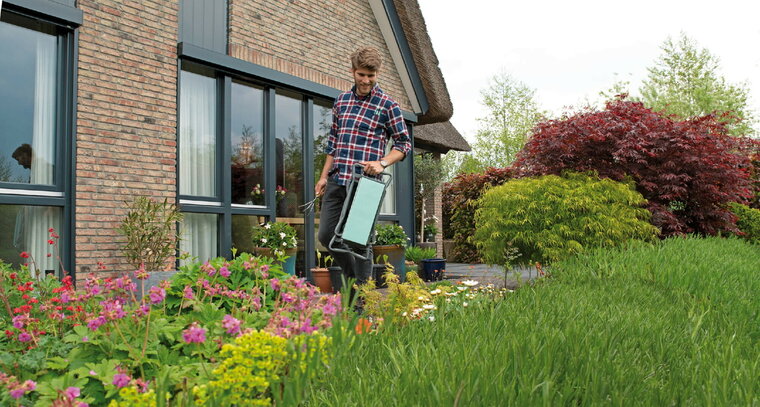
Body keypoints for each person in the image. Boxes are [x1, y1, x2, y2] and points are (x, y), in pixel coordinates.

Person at [316, 47, 411, 289]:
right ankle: (352, 282)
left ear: (377, 74)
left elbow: (403, 144)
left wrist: (382, 163)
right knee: (326, 236)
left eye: (371, 75)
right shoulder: (341, 101)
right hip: (338, 178)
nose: (366, 80)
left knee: (359, 241)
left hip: (366, 184)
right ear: (353, 72)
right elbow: (333, 142)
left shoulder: (388, 105)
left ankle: (362, 298)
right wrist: (323, 176)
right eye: (362, 75)